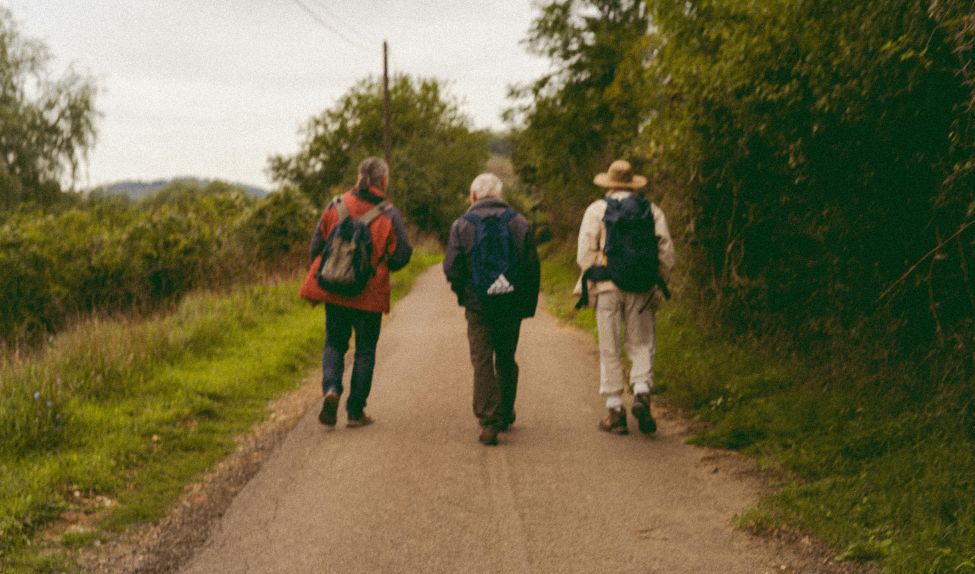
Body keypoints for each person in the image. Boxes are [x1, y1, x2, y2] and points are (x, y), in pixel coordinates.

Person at [306, 157, 413, 428]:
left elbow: (315, 248)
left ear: (358, 176)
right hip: (370, 294)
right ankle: (355, 412)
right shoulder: (388, 212)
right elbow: (403, 254)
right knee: (365, 351)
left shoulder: (337, 204)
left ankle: (331, 389)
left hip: (336, 291)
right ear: (383, 180)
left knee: (334, 343)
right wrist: (380, 265)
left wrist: (331, 274)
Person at [575, 159, 674, 435]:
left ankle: (615, 411)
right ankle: (642, 392)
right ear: (633, 184)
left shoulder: (597, 210)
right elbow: (666, 250)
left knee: (610, 346)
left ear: (608, 183)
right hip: (642, 286)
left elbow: (583, 254)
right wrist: (657, 281)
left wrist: (604, 266)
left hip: (607, 287)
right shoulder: (651, 210)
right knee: (641, 343)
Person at [444, 173, 540, 446]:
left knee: (482, 360)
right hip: (510, 304)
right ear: (499, 195)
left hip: (478, 306)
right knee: (506, 357)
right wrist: (525, 304)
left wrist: (464, 295)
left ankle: (488, 420)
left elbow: (451, 267)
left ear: (473, 196)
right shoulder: (519, 222)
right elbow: (531, 268)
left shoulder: (462, 224)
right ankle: (506, 411)